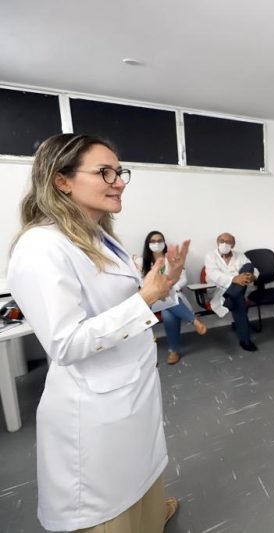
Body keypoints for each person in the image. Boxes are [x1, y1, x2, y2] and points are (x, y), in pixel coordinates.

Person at [7, 134, 180, 532]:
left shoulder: (101, 237)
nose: (118, 181)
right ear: (62, 181)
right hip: (94, 404)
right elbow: (65, 343)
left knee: (141, 474)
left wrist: (157, 291)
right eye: (104, 172)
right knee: (106, 503)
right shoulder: (41, 246)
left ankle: (151, 516)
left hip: (130, 385)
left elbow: (119, 304)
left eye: (119, 172)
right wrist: (144, 298)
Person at [136, 230, 207, 364]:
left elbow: (183, 279)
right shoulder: (141, 262)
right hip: (151, 299)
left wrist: (169, 288)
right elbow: (140, 282)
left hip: (171, 296)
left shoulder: (172, 258)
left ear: (164, 243)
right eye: (153, 241)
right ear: (147, 244)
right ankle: (194, 321)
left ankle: (174, 351)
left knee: (168, 313)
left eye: (159, 241)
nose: (156, 244)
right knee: (167, 302)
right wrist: (158, 290)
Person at [204, 232, 259, 351]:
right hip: (219, 291)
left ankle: (231, 295)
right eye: (222, 241)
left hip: (237, 290)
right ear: (217, 243)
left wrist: (253, 277)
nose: (224, 244)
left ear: (233, 245)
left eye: (228, 242)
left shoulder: (240, 255)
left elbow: (254, 270)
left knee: (249, 266)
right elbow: (213, 275)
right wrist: (233, 279)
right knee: (239, 299)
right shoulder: (210, 256)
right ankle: (245, 340)